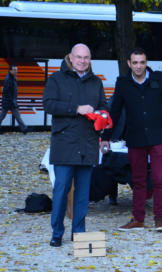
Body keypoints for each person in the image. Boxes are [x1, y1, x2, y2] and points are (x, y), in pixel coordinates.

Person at [100, 48, 162, 232]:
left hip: (158, 137)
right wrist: (105, 137)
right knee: (138, 180)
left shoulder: (159, 79)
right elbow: (114, 112)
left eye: (142, 62)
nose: (139, 66)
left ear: (146, 63)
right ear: (129, 64)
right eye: (135, 62)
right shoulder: (122, 83)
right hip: (135, 137)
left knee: (159, 179)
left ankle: (159, 219)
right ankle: (138, 219)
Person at [43, 44, 109, 247]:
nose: (82, 61)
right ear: (70, 57)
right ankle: (57, 233)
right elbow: (48, 105)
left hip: (88, 143)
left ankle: (79, 233)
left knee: (83, 193)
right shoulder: (56, 79)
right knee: (61, 191)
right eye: (79, 57)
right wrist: (76, 108)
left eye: (86, 57)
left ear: (90, 59)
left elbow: (103, 105)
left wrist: (104, 115)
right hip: (64, 144)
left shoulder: (96, 82)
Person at [0, 65, 33, 135]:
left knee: (3, 116)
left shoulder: (12, 78)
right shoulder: (8, 79)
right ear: (10, 71)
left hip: (9, 101)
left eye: (16, 70)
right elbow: (6, 90)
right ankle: (24, 129)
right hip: (9, 102)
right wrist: (12, 100)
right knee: (16, 116)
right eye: (14, 70)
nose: (16, 71)